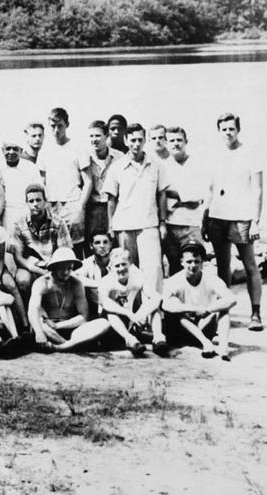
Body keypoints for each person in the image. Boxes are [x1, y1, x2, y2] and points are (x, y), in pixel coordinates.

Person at [203, 113, 263, 331]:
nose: (228, 132)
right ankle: (223, 311)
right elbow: (210, 189)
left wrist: (255, 221)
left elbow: (258, 190)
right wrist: (205, 216)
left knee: (249, 265)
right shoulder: (215, 155)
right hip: (218, 217)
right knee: (222, 266)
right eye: (224, 129)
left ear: (238, 129)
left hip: (242, 218)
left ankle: (256, 314)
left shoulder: (250, 153)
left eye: (231, 128)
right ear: (219, 131)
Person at [104, 123, 169, 293]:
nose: (136, 144)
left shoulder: (156, 165)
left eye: (140, 140)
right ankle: (133, 310)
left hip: (149, 224)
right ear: (126, 140)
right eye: (132, 140)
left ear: (145, 140)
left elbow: (161, 194)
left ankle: (155, 311)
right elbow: (111, 200)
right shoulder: (116, 167)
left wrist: (162, 223)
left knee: (153, 269)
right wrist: (110, 227)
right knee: (129, 270)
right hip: (124, 226)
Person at [163, 240, 237, 359]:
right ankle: (206, 343)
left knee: (223, 309)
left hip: (204, 324)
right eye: (189, 262)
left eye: (197, 261)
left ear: (202, 262)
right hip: (182, 329)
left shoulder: (211, 279)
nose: (193, 265)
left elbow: (232, 299)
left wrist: (208, 310)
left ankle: (223, 348)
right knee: (177, 308)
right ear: (181, 262)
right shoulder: (174, 280)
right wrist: (193, 308)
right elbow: (166, 305)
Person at [29, 247, 110, 352]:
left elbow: (83, 317)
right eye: (62, 268)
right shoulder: (42, 283)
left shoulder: (76, 283)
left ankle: (62, 347)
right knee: (40, 324)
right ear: (54, 267)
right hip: (48, 330)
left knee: (103, 323)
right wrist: (39, 333)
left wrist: (58, 326)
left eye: (69, 268)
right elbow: (32, 310)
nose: (66, 272)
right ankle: (71, 346)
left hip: (70, 329)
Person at [98, 248, 169, 357]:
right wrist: (130, 314)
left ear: (130, 265)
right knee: (110, 312)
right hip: (112, 325)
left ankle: (158, 338)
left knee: (155, 309)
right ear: (110, 268)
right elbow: (104, 303)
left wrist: (141, 314)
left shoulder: (137, 277)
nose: (121, 268)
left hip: (131, 321)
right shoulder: (106, 281)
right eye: (117, 266)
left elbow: (156, 297)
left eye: (124, 264)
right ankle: (129, 340)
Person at [38, 107, 92, 247]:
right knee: (53, 246)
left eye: (60, 126)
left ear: (67, 125)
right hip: (51, 206)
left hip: (72, 203)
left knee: (76, 246)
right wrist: (45, 205)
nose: (56, 130)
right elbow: (42, 181)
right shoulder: (45, 150)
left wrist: (80, 206)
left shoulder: (78, 147)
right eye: (53, 126)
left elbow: (88, 180)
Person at [11, 184, 73, 297]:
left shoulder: (58, 223)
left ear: (45, 201)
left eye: (38, 200)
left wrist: (53, 271)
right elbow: (18, 257)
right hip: (31, 267)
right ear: (27, 203)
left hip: (54, 267)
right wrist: (36, 269)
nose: (35, 204)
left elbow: (65, 254)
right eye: (31, 201)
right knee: (22, 280)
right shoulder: (19, 224)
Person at [162, 126, 207, 276]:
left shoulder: (197, 164)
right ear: (166, 143)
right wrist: (184, 199)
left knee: (194, 265)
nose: (176, 144)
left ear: (186, 141)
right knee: (175, 267)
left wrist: (175, 197)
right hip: (170, 224)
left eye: (179, 140)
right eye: (172, 140)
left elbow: (197, 197)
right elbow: (161, 193)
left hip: (191, 225)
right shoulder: (163, 166)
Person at [84, 120, 116, 249]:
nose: (94, 140)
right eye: (91, 136)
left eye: (97, 135)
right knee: (94, 246)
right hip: (92, 209)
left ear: (107, 136)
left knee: (114, 244)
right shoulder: (84, 157)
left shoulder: (119, 157)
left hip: (114, 206)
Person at [0, 137, 42, 230]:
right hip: (4, 214)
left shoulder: (31, 168)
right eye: (8, 148)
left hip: (26, 212)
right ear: (3, 150)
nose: (11, 152)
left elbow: (38, 193)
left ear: (21, 151)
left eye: (15, 149)